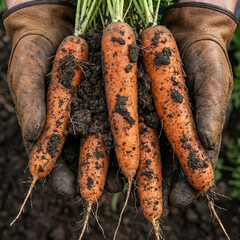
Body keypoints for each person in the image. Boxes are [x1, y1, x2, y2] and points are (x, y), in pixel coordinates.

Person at [2, 0, 239, 214]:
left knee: (201, 101)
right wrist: (34, 9)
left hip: (183, 10)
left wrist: (206, 16)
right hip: (65, 11)